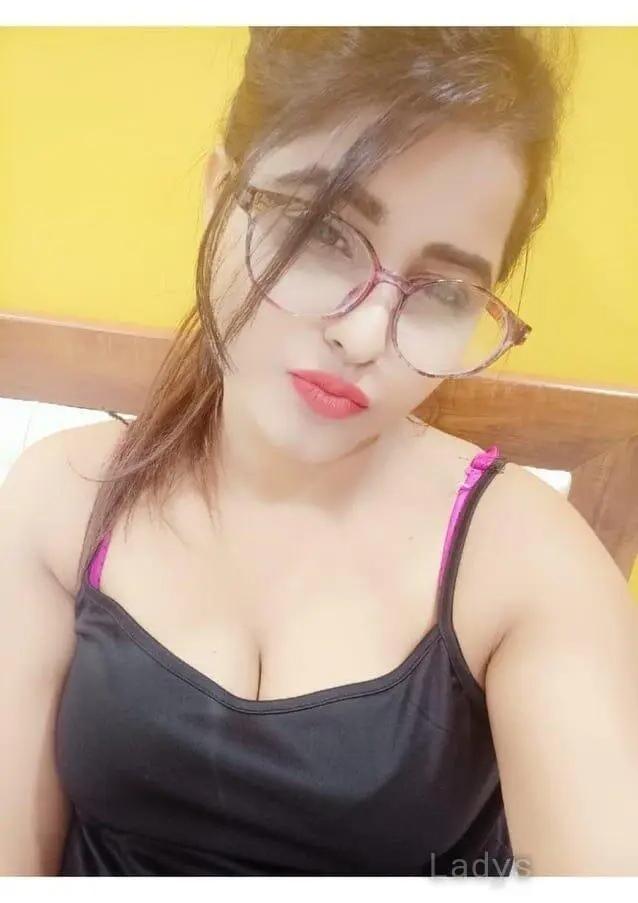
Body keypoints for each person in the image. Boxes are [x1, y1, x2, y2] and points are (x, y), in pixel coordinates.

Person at [1, 26, 637, 878]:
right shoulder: (63, 497)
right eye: (323, 232)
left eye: (444, 291)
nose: (365, 334)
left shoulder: (530, 566)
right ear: (220, 193)